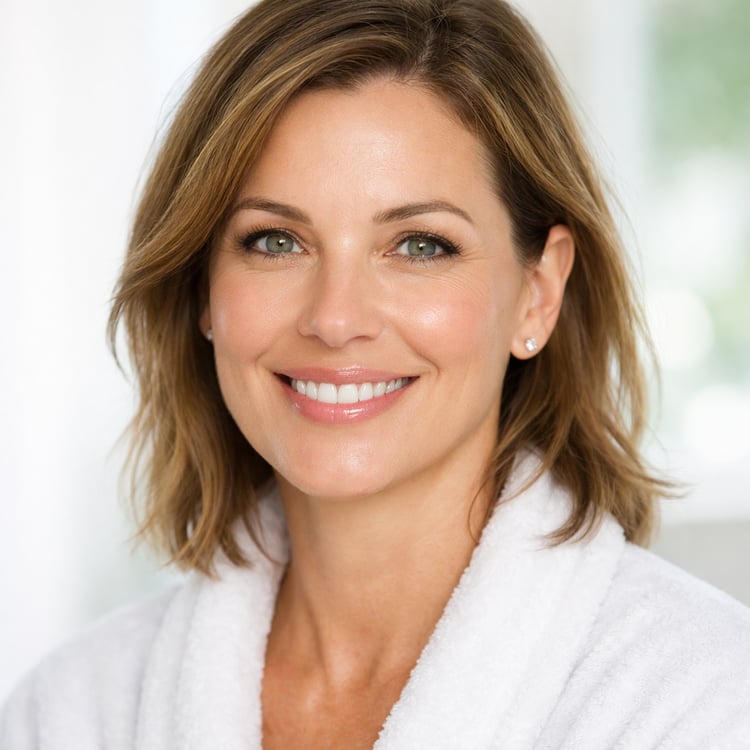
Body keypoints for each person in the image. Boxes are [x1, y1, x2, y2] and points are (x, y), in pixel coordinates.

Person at [2, 0, 749, 747]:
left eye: (420, 245)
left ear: (538, 293)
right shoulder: (71, 714)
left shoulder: (702, 702)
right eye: (275, 241)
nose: (336, 318)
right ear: (202, 287)